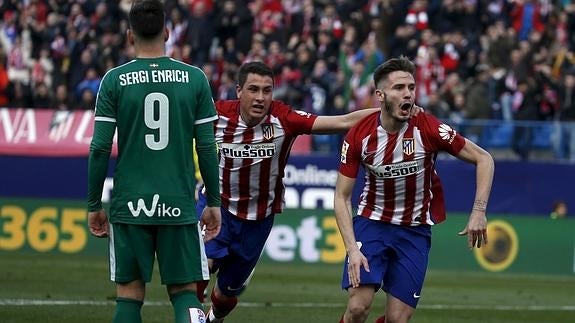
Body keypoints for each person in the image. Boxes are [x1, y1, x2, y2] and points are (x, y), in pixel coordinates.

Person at [196, 61, 413, 323]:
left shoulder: (283, 119)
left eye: (267, 91)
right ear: (239, 91)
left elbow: (342, 121)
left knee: (225, 295)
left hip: (258, 220)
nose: (260, 97)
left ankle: (213, 318)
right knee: (199, 273)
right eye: (253, 90)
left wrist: (389, 110)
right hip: (217, 209)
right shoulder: (216, 115)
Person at [86, 1, 221, 322]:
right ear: (168, 31)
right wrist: (213, 201)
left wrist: (94, 204)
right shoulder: (194, 79)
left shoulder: (114, 80)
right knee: (186, 292)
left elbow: (99, 147)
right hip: (178, 202)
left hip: (130, 204)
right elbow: (207, 147)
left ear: (129, 35)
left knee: (129, 296)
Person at [333, 56, 494, 323]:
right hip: (372, 224)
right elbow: (341, 196)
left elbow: (484, 158)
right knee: (359, 306)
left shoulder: (427, 127)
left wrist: (479, 211)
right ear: (380, 95)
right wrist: (351, 249)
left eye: (411, 87)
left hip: (414, 231)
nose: (407, 93)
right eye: (399, 88)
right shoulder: (359, 135)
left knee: (398, 319)